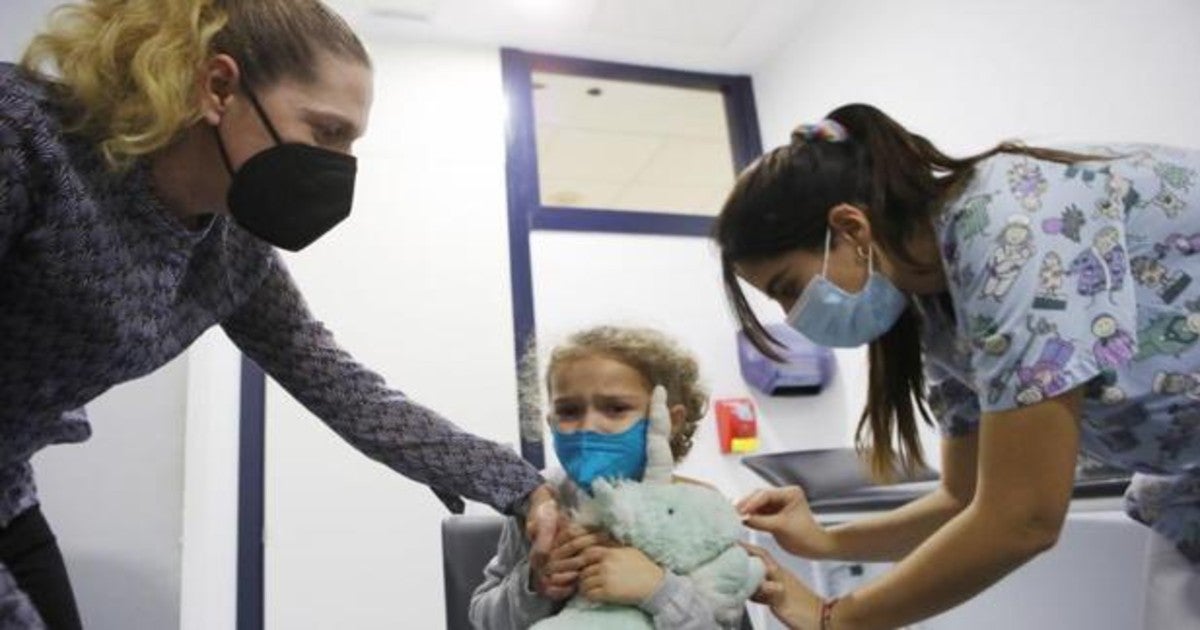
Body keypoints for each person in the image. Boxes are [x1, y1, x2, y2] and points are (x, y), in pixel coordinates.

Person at [0, 1, 559, 627]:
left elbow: (346, 390)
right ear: (218, 88)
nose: (341, 165)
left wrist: (519, 486)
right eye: (325, 133)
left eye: (352, 142)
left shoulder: (233, 251)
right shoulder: (22, 136)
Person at [714, 104, 1199, 629]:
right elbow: (961, 497)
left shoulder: (1009, 222)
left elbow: (1024, 517)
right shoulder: (939, 310)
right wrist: (827, 541)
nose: (795, 316)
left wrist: (837, 619)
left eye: (788, 287)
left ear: (851, 227)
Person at [470, 325, 737, 629]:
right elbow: (483, 618)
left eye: (615, 409)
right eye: (569, 411)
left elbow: (724, 621)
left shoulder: (698, 509)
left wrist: (659, 591)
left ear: (669, 420)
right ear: (550, 421)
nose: (588, 426)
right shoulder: (541, 502)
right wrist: (534, 583)